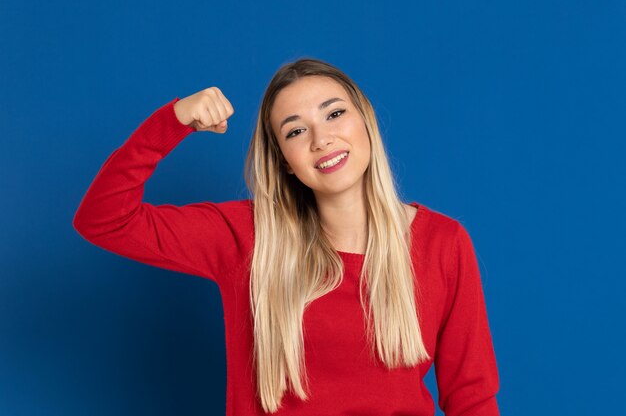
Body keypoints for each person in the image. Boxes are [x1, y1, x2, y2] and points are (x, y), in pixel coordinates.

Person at [73, 57, 500, 415]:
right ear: (285, 161)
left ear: (365, 121)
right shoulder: (246, 238)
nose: (322, 139)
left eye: (334, 114)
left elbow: (472, 397)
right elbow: (104, 219)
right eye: (296, 131)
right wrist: (173, 121)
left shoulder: (443, 242)